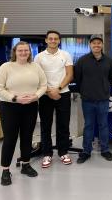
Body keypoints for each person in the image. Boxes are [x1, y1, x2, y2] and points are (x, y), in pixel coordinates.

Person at [0, 41, 47, 186]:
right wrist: (15, 98)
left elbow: (43, 85)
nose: (23, 53)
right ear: (15, 52)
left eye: (26, 50)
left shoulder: (35, 67)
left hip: (30, 106)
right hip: (9, 107)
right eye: (20, 50)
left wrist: (36, 96)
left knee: (27, 137)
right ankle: (5, 170)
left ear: (30, 52)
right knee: (10, 139)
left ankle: (26, 164)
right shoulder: (6, 67)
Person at [74, 34, 112, 164]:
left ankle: (105, 150)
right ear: (90, 45)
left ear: (102, 45)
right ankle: (86, 151)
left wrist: (104, 89)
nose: (96, 45)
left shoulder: (109, 61)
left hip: (103, 100)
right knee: (88, 126)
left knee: (103, 125)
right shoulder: (82, 61)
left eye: (99, 43)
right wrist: (85, 91)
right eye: (94, 43)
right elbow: (78, 79)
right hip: (87, 100)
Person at [34, 30, 74, 169]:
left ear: (59, 41)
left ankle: (63, 152)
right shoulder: (38, 57)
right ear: (46, 40)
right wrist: (49, 91)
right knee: (45, 125)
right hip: (45, 95)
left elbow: (70, 74)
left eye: (55, 39)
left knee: (63, 125)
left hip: (63, 93)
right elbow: (37, 77)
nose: (53, 41)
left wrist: (58, 88)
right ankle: (47, 154)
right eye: (50, 39)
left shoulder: (66, 55)